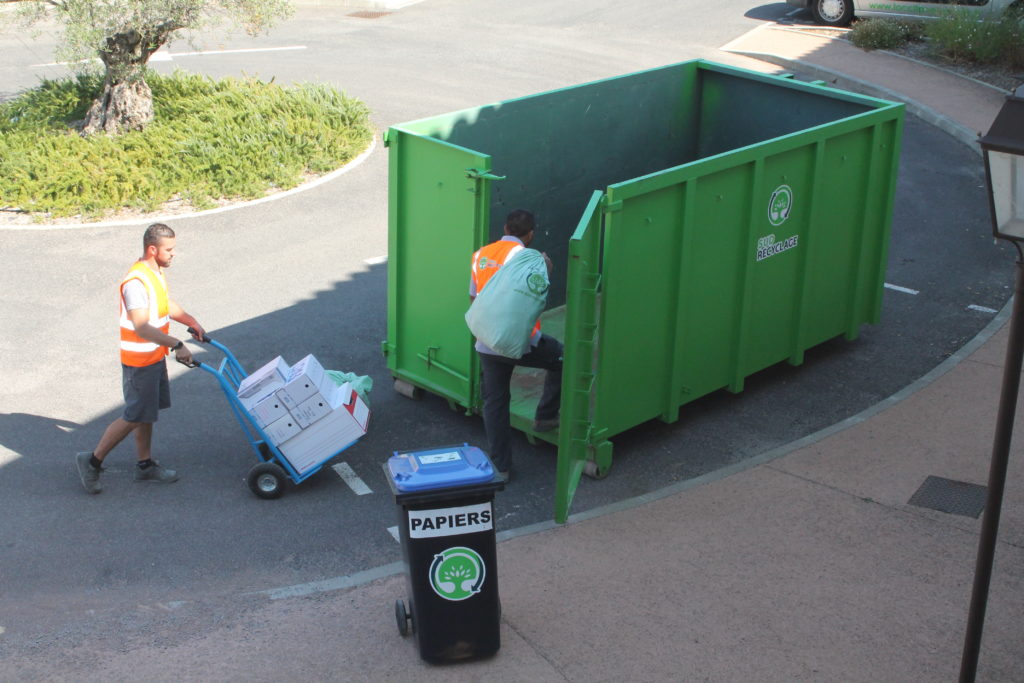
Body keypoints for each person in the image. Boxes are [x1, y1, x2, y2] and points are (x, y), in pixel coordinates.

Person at [75, 223, 206, 494]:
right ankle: (92, 461)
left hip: (153, 357)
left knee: (147, 413)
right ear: (152, 249)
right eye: (170, 249)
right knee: (134, 415)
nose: (174, 254)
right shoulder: (135, 282)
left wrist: (191, 321)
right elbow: (142, 326)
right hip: (139, 362)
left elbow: (165, 304)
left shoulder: (154, 273)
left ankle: (144, 465)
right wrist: (178, 344)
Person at [469, 209, 562, 482]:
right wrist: (548, 270)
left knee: (495, 403)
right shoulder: (530, 260)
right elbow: (530, 302)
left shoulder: (480, 255)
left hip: (487, 341)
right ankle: (545, 417)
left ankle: (502, 466)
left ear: (505, 227)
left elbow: (474, 299)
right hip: (521, 343)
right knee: (563, 359)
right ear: (530, 234)